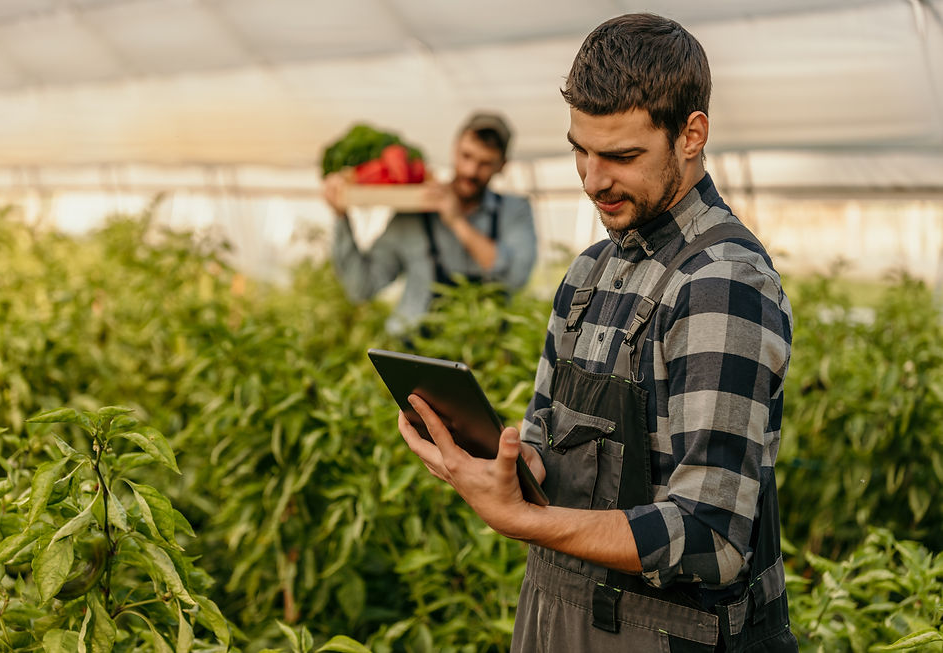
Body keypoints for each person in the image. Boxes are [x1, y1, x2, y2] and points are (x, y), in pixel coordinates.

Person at [397, 13, 798, 652]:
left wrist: (525, 519)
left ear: (692, 135)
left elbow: (712, 539)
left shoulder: (722, 285)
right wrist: (502, 469)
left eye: (622, 156)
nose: (592, 180)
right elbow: (545, 441)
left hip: (666, 638)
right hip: (562, 620)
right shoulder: (591, 272)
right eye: (580, 149)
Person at [323, 112, 538, 336]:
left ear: (502, 165)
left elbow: (515, 279)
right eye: (466, 156)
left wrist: (456, 221)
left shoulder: (515, 211)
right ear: (454, 149)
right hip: (413, 348)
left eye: (485, 163)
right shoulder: (415, 210)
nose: (471, 171)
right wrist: (341, 216)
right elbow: (362, 288)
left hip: (484, 348)